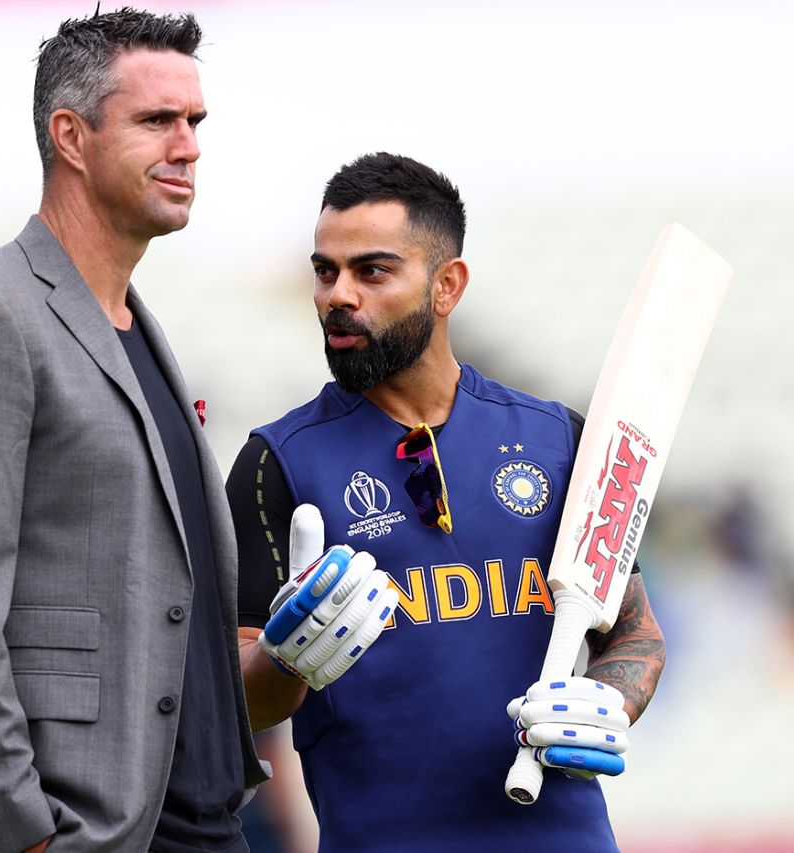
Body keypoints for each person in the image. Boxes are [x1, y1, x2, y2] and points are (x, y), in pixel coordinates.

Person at [0, 9, 266, 852]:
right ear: (70, 136)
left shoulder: (139, 327)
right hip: (77, 828)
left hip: (202, 819)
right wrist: (21, 833)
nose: (188, 146)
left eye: (195, 121)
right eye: (157, 120)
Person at [227, 153, 667, 851]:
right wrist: (286, 660)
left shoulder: (560, 439)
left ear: (447, 286)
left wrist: (606, 701)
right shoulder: (273, 463)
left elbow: (635, 635)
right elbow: (235, 703)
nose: (339, 295)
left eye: (372, 271)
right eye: (325, 271)